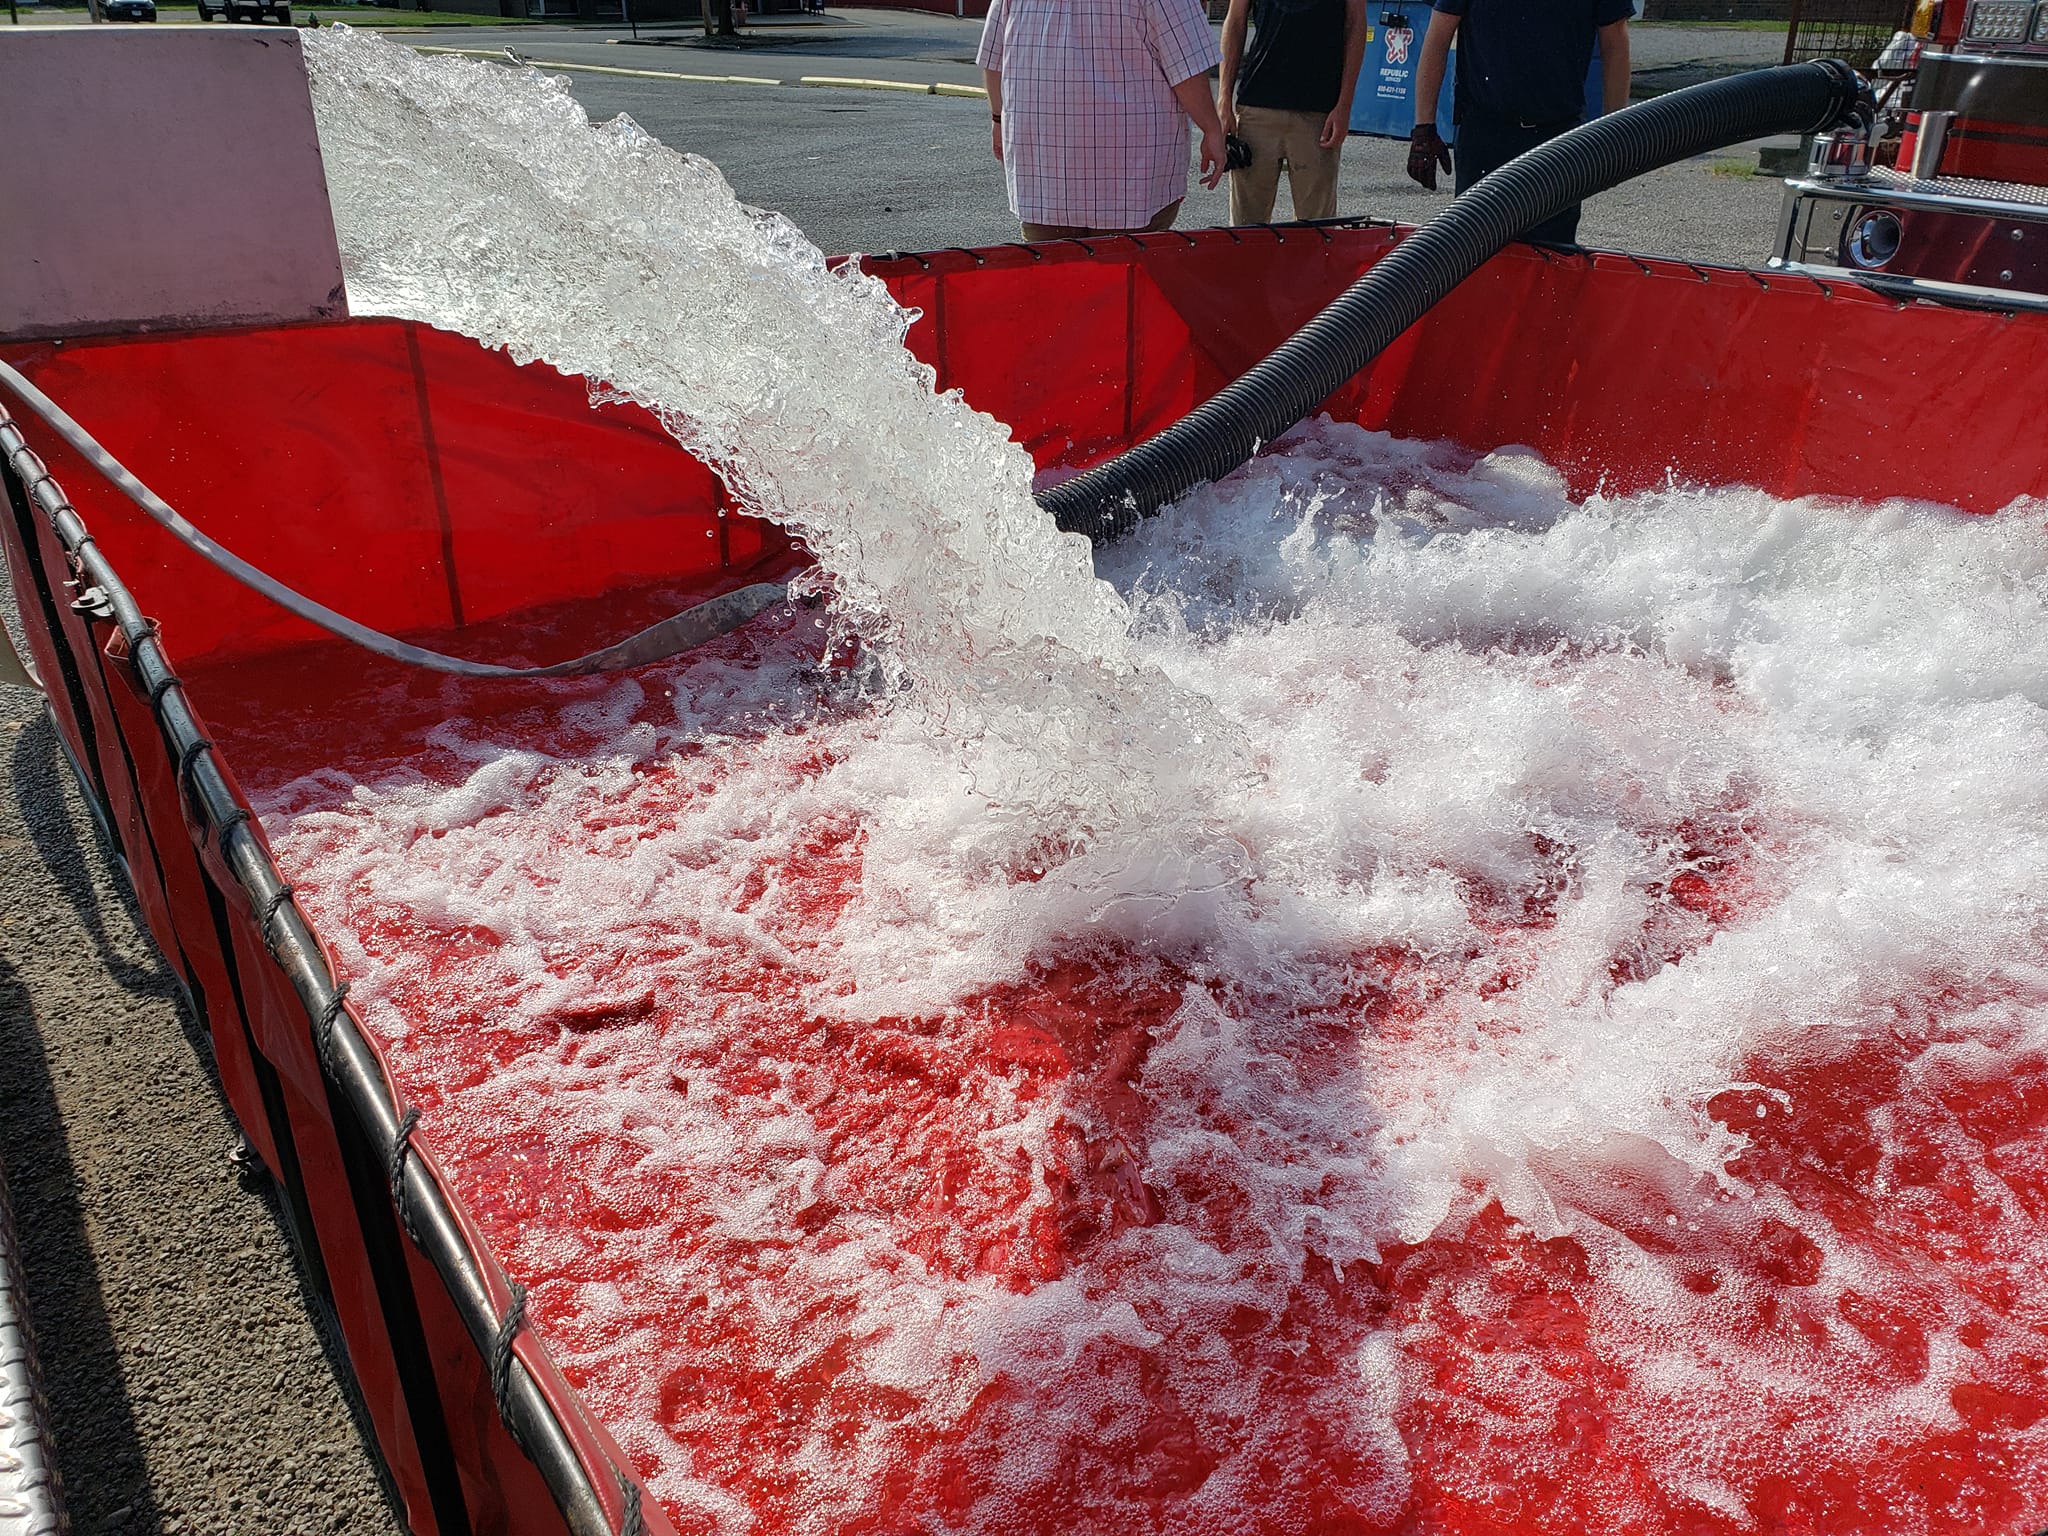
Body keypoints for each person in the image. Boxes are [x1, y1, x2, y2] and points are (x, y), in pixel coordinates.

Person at [978, 0, 1229, 243]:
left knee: (1054, 277)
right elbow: (1186, 67)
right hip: (1131, 179)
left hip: (1044, 179)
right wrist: (1211, 129)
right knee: (1129, 276)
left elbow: (993, 59)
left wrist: (998, 119)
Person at [1406, 0, 1633, 245]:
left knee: (1550, 256)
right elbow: (1438, 35)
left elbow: (1615, 44)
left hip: (1557, 138)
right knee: (1474, 249)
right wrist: (1424, 129)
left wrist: (1615, 133)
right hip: (1485, 134)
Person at [1218, 0, 1369, 225]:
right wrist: (1223, 99)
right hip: (1257, 106)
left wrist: (1344, 105)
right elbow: (1236, 21)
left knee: (1318, 230)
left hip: (1318, 112)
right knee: (1246, 229)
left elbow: (1355, 25)